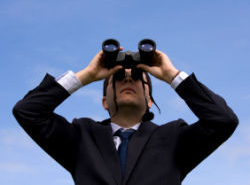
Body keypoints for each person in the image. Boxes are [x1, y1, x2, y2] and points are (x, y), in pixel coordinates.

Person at [13, 47, 239, 185]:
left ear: (150, 101)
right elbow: (27, 111)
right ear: (104, 101)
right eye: (118, 77)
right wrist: (87, 75)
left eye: (139, 77)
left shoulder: (174, 138)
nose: (128, 79)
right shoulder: (81, 137)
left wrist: (171, 75)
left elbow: (223, 121)